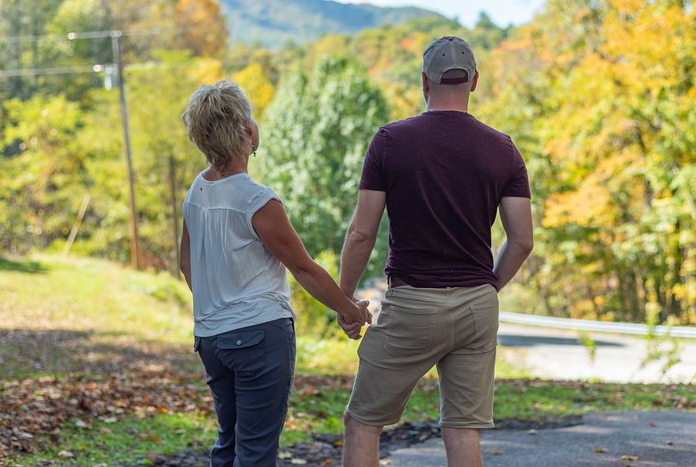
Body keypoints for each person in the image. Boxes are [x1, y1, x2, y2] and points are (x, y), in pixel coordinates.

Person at [337, 36, 534, 467]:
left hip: (412, 303)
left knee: (363, 422)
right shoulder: (504, 149)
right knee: (462, 427)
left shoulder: (390, 141)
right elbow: (521, 239)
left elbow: (360, 234)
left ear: (425, 82)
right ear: (474, 82)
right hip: (477, 308)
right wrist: (488, 286)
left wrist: (345, 300)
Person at [178, 80, 371, 467]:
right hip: (259, 337)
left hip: (211, 338)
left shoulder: (196, 192)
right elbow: (304, 268)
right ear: (247, 130)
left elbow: (186, 262)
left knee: (228, 444)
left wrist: (216, 309)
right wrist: (350, 308)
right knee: (256, 451)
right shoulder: (256, 200)